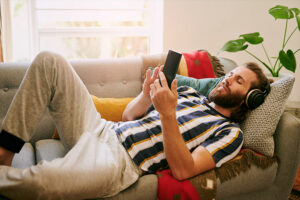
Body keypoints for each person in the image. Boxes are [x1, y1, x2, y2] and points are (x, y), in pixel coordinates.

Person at [0, 51, 270, 199]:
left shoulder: (229, 134)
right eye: (231, 75)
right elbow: (129, 117)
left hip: (121, 162)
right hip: (103, 129)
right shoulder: (189, 95)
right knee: (50, 61)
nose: (226, 80)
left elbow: (184, 169)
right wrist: (144, 96)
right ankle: (6, 152)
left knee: (44, 183)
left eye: (238, 81)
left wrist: (167, 115)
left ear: (250, 98)